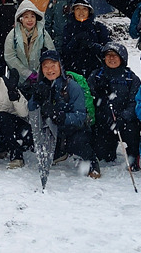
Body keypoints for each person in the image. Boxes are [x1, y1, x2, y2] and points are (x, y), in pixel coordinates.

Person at [29, 49, 100, 178]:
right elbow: (31, 110)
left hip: (73, 129)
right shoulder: (41, 86)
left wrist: (61, 116)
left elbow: (80, 116)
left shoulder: (72, 87)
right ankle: (60, 151)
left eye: (53, 65)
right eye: (45, 66)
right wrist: (36, 99)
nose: (50, 70)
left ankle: (91, 161)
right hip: (52, 129)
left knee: (78, 142)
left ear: (60, 66)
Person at [88, 42, 141, 170]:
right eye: (108, 55)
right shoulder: (96, 75)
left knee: (132, 130)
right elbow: (89, 98)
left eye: (115, 55)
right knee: (104, 155)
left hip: (124, 121)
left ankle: (133, 157)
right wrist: (99, 96)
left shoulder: (131, 79)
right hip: (103, 120)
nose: (111, 58)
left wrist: (123, 117)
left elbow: (134, 102)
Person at [4, 0, 55, 91]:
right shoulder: (13, 35)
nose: (30, 20)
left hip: (41, 80)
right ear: (21, 19)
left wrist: (40, 72)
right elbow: (9, 56)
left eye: (32, 16)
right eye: (26, 17)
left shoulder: (43, 33)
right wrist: (26, 73)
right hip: (19, 80)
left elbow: (51, 54)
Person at [58, 0, 110, 80]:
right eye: (78, 9)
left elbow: (107, 50)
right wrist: (75, 41)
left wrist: (91, 45)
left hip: (95, 72)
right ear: (73, 11)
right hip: (73, 72)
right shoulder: (68, 28)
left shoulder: (98, 28)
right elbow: (64, 52)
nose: (81, 12)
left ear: (89, 11)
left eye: (84, 9)